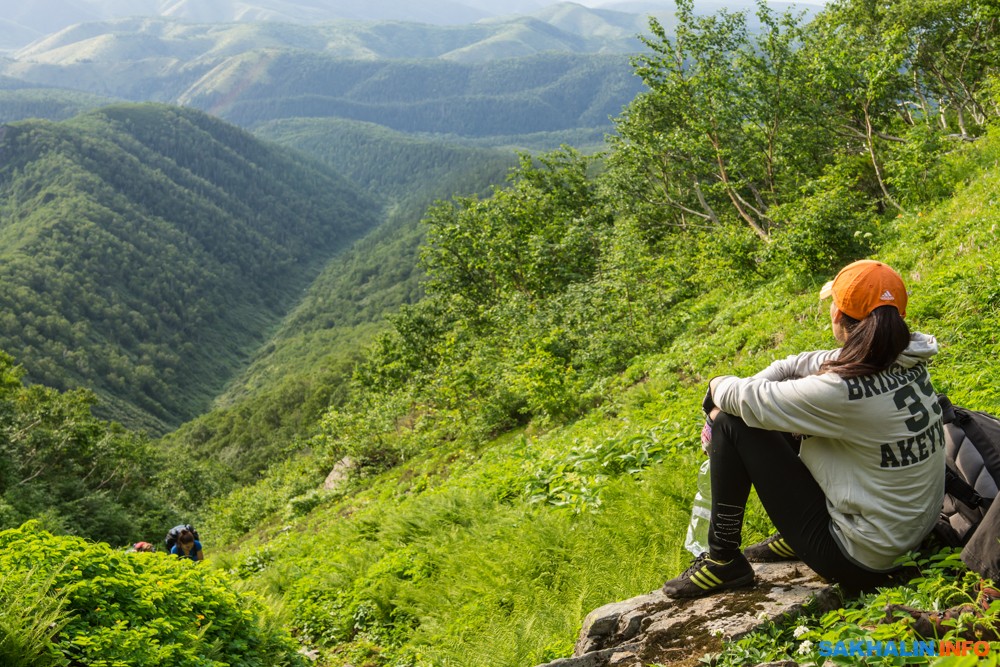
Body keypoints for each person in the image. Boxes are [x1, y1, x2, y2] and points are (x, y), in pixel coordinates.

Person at [662, 259, 945, 598]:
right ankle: (797, 533)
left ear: (838, 315)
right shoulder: (906, 357)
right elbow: (795, 365)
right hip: (907, 536)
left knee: (731, 421)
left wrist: (713, 392)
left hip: (860, 559)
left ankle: (723, 560)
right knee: (776, 406)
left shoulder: (839, 392)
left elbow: (744, 398)